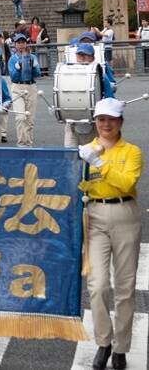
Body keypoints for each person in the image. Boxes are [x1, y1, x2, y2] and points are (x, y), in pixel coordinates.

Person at [78, 97, 143, 370]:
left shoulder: (132, 151)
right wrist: (82, 170)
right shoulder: (85, 151)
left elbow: (127, 183)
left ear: (121, 122)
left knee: (125, 289)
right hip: (95, 216)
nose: (106, 124)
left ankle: (121, 348)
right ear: (95, 121)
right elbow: (80, 185)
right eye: (101, 119)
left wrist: (100, 165)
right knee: (98, 285)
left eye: (111, 119)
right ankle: (104, 342)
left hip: (125, 215)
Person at [60, 44, 114, 148]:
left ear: (92, 58)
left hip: (94, 124)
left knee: (94, 157)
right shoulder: (68, 73)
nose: (82, 58)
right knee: (71, 158)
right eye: (79, 55)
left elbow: (110, 98)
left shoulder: (100, 76)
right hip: (72, 122)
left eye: (85, 55)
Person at [8, 33, 40, 147]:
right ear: (15, 45)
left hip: (31, 87)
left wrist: (34, 67)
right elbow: (13, 77)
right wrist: (18, 67)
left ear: (26, 43)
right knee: (21, 117)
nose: (21, 45)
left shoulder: (33, 57)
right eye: (18, 43)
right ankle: (22, 143)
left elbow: (37, 74)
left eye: (23, 42)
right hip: (17, 87)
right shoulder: (12, 59)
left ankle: (29, 143)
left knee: (30, 119)